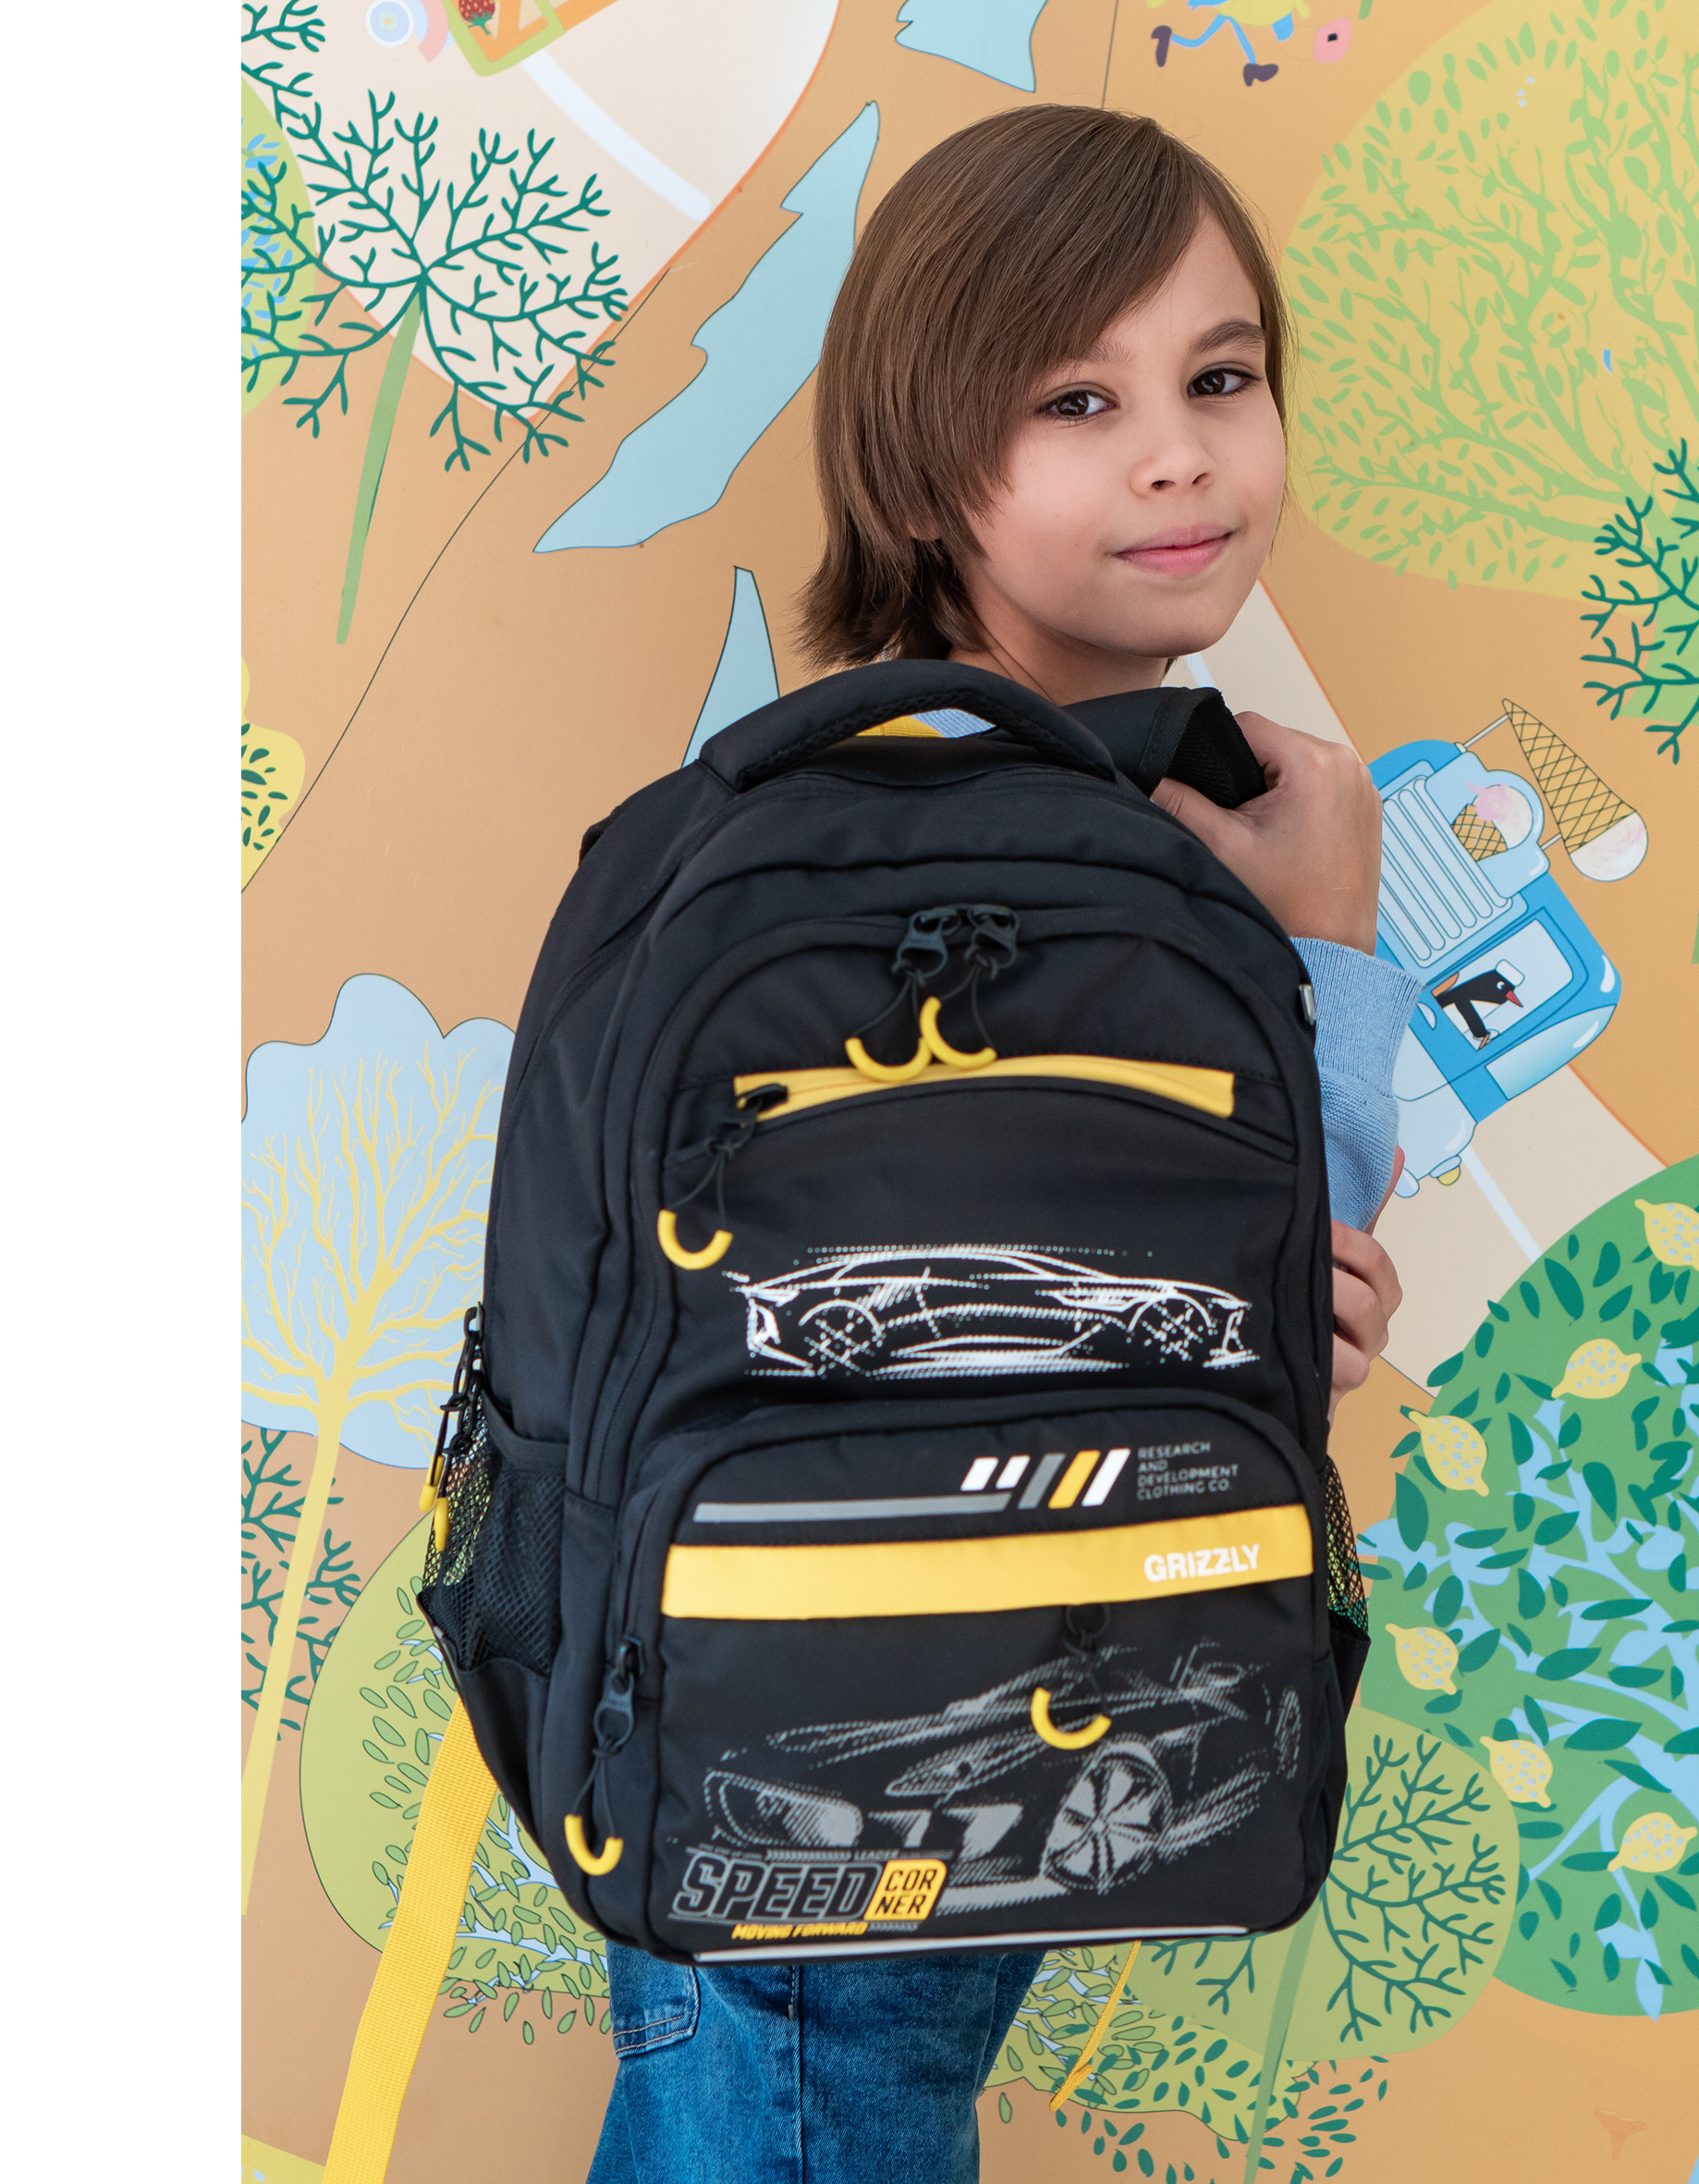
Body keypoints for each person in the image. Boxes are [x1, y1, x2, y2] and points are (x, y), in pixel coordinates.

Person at [588, 104, 1424, 2184]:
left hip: (801, 1693)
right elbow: (1244, 1256)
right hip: (873, 1740)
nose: (1180, 455)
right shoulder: (1014, 863)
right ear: (918, 472)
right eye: (1077, 400)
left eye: (1218, 377)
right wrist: (1326, 943)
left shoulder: (860, 818)